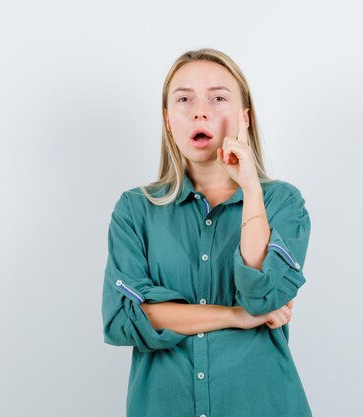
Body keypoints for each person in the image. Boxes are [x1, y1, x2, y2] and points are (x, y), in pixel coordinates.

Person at [101, 48, 313, 417]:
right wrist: (234, 316)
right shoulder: (135, 210)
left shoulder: (282, 202)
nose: (200, 111)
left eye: (218, 98)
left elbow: (263, 296)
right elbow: (122, 319)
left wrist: (250, 189)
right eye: (184, 99)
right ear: (168, 120)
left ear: (244, 118)